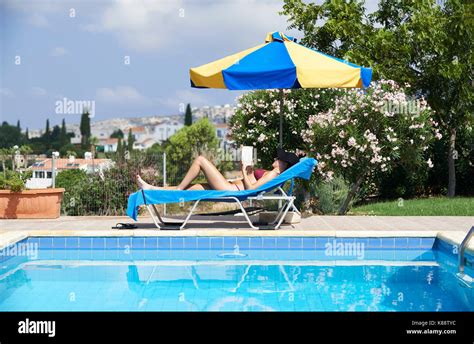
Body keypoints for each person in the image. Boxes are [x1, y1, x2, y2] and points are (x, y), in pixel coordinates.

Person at [137, 148, 301, 191]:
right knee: (189, 190)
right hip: (230, 184)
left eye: (278, 159)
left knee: (201, 160)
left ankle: (177, 188)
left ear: (282, 164)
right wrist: (249, 173)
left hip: (230, 189)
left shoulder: (274, 174)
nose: (275, 159)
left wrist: (243, 170)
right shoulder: (272, 173)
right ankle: (151, 188)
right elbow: (252, 182)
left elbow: (251, 188)